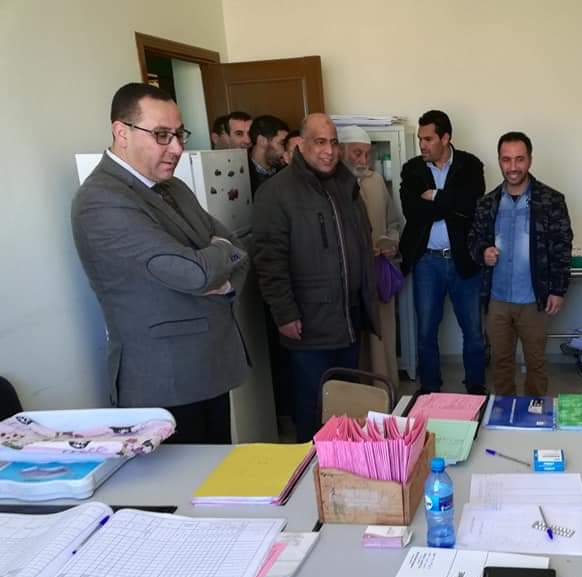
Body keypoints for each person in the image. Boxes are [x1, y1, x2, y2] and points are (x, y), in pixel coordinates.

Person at [72, 83, 250, 444]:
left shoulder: (174, 188)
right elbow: (195, 273)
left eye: (179, 134)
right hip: (164, 382)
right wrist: (216, 256)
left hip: (209, 366)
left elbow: (238, 247)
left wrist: (224, 276)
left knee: (219, 475)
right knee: (183, 481)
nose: (177, 148)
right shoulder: (101, 200)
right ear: (122, 132)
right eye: (162, 135)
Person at [252, 113, 379, 443]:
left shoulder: (344, 183)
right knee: (313, 408)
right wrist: (284, 313)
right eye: (320, 142)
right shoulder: (277, 192)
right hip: (308, 323)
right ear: (301, 144)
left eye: (333, 142)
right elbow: (269, 260)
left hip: (348, 318)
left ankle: (345, 465)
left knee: (346, 405)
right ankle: (312, 468)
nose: (329, 151)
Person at [467, 131, 572, 396]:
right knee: (500, 364)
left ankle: (534, 414)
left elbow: (562, 247)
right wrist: (483, 252)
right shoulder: (487, 203)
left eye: (519, 159)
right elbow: (473, 240)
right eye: (506, 159)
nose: (513, 167)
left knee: (535, 364)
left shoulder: (551, 200)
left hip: (534, 299)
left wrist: (558, 290)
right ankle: (504, 413)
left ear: (530, 160)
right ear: (499, 161)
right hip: (497, 299)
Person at [399, 110, 486, 394]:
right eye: (420, 139)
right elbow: (413, 212)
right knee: (426, 331)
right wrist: (451, 205)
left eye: (428, 139)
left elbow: (471, 207)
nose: (422, 145)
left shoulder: (470, 165)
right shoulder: (412, 169)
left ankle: (475, 388)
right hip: (427, 262)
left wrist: (435, 196)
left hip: (464, 259)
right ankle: (430, 390)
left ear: (445, 137)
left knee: (473, 331)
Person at [339, 125, 403, 389]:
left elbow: (394, 222)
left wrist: (391, 243)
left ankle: (385, 392)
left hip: (378, 273)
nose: (363, 160)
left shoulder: (376, 181)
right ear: (340, 151)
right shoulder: (332, 185)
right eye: (356, 153)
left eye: (367, 154)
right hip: (349, 279)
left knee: (381, 337)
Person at [248, 115, 289, 195]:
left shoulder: (286, 171)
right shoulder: (241, 174)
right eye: (282, 143)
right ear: (262, 141)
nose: (286, 151)